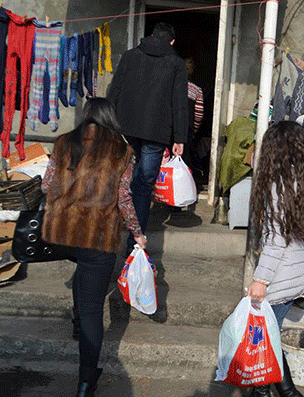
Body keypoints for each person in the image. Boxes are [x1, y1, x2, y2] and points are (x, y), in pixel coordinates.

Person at [41, 98, 147, 397]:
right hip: (97, 236)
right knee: (92, 310)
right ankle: (86, 382)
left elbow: (46, 186)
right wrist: (137, 234)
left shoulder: (63, 142)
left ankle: (76, 324)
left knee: (82, 273)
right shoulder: (121, 151)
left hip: (62, 233)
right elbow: (124, 198)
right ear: (111, 117)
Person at [246, 120, 304, 397]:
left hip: (281, 276)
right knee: (269, 334)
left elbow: (276, 240)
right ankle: (285, 390)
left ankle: (268, 391)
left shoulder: (280, 184)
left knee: (260, 337)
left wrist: (260, 280)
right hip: (303, 272)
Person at [107, 22, 188, 253]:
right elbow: (179, 104)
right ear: (172, 41)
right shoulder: (176, 63)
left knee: (120, 181)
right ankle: (135, 243)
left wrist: (107, 124)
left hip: (124, 130)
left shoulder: (130, 56)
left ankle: (109, 235)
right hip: (156, 132)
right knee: (143, 186)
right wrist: (179, 138)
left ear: (151, 36)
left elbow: (115, 90)